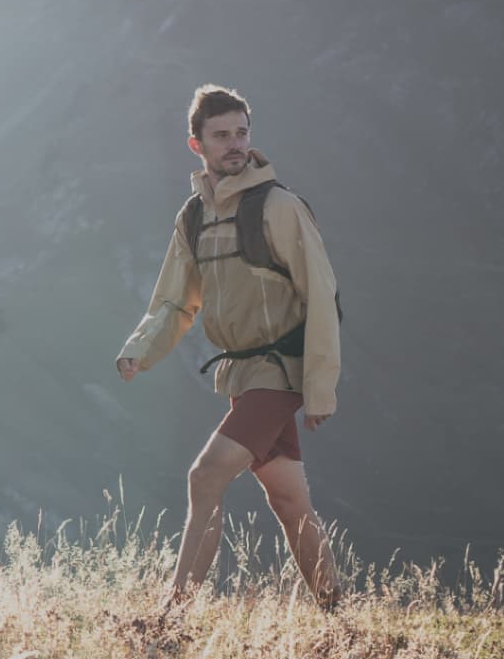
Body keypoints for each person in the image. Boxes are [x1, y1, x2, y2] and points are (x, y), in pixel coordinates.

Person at [116, 83, 342, 610]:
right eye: (221, 136)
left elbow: (322, 297)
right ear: (197, 144)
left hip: (280, 370)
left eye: (241, 132)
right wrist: (139, 350)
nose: (235, 144)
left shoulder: (280, 207)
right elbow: (175, 301)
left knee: (205, 475)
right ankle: (339, 616)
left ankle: (171, 622)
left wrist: (321, 387)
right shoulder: (193, 217)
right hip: (243, 378)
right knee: (290, 501)